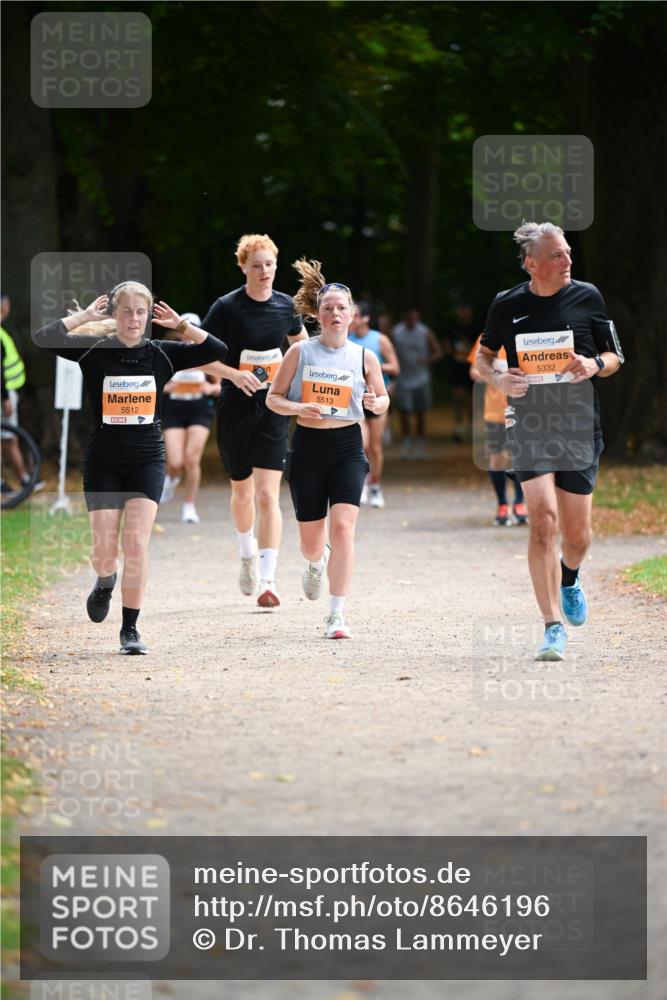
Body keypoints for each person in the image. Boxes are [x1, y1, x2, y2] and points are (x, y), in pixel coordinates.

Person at [32, 282, 228, 654]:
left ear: (149, 315)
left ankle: (130, 630)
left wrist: (182, 326)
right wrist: (86, 316)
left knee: (136, 544)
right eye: (126, 311)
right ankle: (105, 580)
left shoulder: (162, 354)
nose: (134, 319)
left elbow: (216, 349)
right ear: (114, 314)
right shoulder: (93, 353)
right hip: (104, 462)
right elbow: (45, 337)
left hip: (147, 460)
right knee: (105, 550)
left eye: (141, 312)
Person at [475, 222, 623, 661]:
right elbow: (484, 357)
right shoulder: (507, 305)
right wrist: (500, 376)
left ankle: (570, 575)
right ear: (532, 263)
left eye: (568, 252)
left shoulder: (587, 296)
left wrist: (594, 364)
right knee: (543, 520)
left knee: (578, 537)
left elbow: (616, 356)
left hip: (577, 425)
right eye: (557, 255)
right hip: (529, 424)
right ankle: (552, 625)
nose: (568, 261)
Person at [266, 260, 389, 639]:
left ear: (352, 314)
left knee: (344, 528)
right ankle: (316, 564)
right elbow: (273, 398)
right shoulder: (300, 354)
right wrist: (298, 407)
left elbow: (383, 400)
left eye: (342, 308)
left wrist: (375, 403)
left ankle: (336, 615)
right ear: (316, 314)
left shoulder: (365, 357)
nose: (335, 313)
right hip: (307, 447)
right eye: (327, 308)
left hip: (348, 446)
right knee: (311, 543)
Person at [200, 234, 308, 608]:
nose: (265, 271)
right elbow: (199, 358)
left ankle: (268, 579)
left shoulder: (286, 306)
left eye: (270, 264)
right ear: (243, 266)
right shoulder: (226, 307)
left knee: (267, 494)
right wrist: (232, 374)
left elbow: (300, 346)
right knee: (242, 491)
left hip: (274, 409)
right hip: (235, 407)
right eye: (257, 264)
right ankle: (246, 553)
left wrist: (298, 380)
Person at [160, 312, 224, 523]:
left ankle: (189, 506)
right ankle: (171, 478)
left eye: (192, 328)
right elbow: (155, 384)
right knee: (176, 461)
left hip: (200, 409)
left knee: (192, 458)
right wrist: (168, 387)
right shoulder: (170, 353)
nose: (188, 335)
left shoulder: (207, 355)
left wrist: (210, 387)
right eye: (184, 329)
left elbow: (220, 386)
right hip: (174, 409)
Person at [467, 333, 528, 526]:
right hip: (495, 411)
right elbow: (473, 371)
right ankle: (502, 504)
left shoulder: (527, 335)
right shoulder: (487, 337)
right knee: (497, 457)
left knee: (522, 456)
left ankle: (520, 503)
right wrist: (496, 375)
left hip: (524, 410)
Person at [348, 301, 399, 508]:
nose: (352, 318)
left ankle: (376, 485)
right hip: (354, 399)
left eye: (356, 315)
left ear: (366, 318)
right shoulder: (345, 340)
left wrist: (372, 365)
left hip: (377, 397)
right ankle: (362, 484)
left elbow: (396, 367)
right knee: (362, 445)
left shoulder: (380, 340)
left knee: (375, 448)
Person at [391, 307, 443, 459]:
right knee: (404, 413)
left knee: (420, 413)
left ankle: (420, 444)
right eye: (409, 318)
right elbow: (388, 349)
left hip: (421, 378)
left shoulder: (425, 332)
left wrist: (426, 359)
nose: (412, 321)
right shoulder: (396, 332)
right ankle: (407, 443)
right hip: (403, 378)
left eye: (415, 318)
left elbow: (438, 352)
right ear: (404, 317)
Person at [1, 294, 32, 491]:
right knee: (10, 438)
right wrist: (5, 397)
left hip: (7, 392)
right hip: (4, 394)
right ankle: (25, 480)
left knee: (7, 437)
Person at [445, 304, 477, 441]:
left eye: (466, 309)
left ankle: (470, 427)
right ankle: (458, 426)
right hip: (457, 367)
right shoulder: (452, 329)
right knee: (457, 397)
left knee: (471, 398)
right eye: (461, 309)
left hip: (472, 367)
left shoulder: (476, 328)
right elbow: (446, 347)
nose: (463, 312)